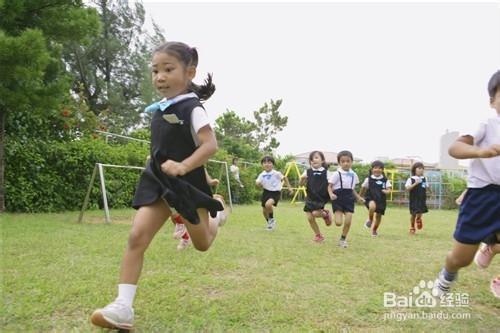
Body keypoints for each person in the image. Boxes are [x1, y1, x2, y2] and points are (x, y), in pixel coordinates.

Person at [90, 41, 225, 330]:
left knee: (202, 243)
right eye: (155, 71)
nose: (159, 77)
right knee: (136, 236)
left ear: (189, 72)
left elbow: (210, 145)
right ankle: (123, 307)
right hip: (157, 178)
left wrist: (184, 166)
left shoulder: (192, 107)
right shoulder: (159, 108)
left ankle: (218, 216)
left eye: (168, 69)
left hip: (187, 181)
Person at [433, 69, 500, 297]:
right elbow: (455, 148)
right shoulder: (487, 124)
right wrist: (481, 151)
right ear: (492, 101)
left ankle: (492, 250)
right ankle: (448, 273)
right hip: (484, 196)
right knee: (461, 259)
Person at [172, 170, 228, 250]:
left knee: (203, 244)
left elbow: (198, 162)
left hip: (193, 191)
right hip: (172, 188)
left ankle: (217, 212)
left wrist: (209, 180)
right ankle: (185, 237)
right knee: (174, 214)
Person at [328, 150, 364, 248]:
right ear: (339, 163)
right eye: (343, 161)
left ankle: (343, 239)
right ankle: (329, 215)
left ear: (352, 161)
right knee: (338, 223)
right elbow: (329, 186)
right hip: (338, 198)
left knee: (348, 220)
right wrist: (331, 194)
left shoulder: (354, 175)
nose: (346, 163)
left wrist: (358, 197)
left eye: (348, 161)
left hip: (349, 199)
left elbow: (352, 189)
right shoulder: (336, 174)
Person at [299, 151, 333, 243]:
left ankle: (325, 214)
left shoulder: (327, 173)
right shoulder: (307, 171)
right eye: (311, 158)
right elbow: (301, 184)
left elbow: (331, 185)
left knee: (315, 214)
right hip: (310, 197)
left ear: (322, 161)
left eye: (316, 157)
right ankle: (318, 235)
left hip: (321, 197)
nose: (314, 160)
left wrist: (331, 193)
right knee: (310, 218)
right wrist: (302, 180)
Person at [255, 155, 292, 231]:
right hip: (266, 192)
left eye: (269, 162)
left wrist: (289, 188)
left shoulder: (276, 173)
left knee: (268, 204)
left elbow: (285, 178)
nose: (267, 164)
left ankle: (271, 219)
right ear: (262, 165)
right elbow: (257, 182)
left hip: (275, 192)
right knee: (264, 211)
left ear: (273, 164)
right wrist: (258, 184)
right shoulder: (261, 174)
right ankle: (270, 224)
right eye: (264, 162)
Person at [359, 160, 392, 237]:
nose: (377, 169)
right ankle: (370, 219)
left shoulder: (385, 180)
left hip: (381, 200)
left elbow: (389, 189)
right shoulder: (368, 179)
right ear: (372, 169)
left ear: (382, 170)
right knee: (372, 206)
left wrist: (387, 191)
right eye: (375, 168)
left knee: (378, 216)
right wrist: (359, 197)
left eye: (380, 168)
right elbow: (363, 188)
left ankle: (374, 230)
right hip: (370, 198)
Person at [405, 162, 429, 235]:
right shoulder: (411, 179)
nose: (421, 170)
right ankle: (412, 227)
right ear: (414, 170)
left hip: (422, 199)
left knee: (420, 212)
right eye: (419, 168)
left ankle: (418, 219)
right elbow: (407, 188)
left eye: (422, 168)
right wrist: (415, 183)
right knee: (413, 214)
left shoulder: (425, 178)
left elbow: (426, 187)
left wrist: (429, 191)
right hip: (414, 200)